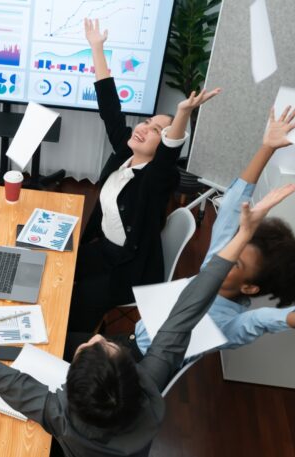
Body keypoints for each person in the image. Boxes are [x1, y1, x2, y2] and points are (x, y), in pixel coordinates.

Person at [0, 183, 295, 457]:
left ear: (66, 387)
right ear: (131, 371)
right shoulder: (148, 384)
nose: (96, 340)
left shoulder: (59, 416)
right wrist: (241, 235)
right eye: (105, 345)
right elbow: (190, 308)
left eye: (92, 346)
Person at [133, 105, 295, 362]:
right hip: (129, 340)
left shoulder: (227, 324)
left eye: (235, 262)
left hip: (136, 372)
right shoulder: (217, 264)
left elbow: (264, 320)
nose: (226, 255)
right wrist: (268, 147)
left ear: (249, 287)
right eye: (235, 245)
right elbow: (233, 204)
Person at [67, 19, 222, 335]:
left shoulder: (156, 179)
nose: (144, 128)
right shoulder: (125, 152)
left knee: (74, 300)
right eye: (147, 122)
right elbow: (109, 106)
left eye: (155, 131)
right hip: (106, 249)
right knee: (59, 271)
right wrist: (97, 47)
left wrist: (181, 114)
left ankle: (71, 354)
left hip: (130, 269)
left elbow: (167, 156)